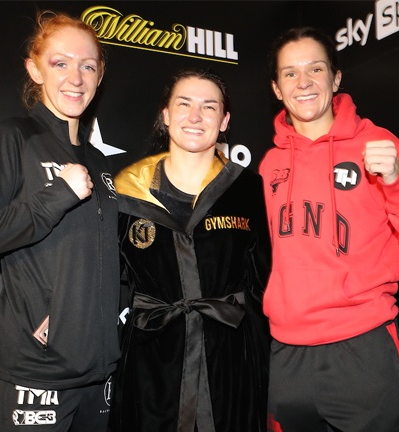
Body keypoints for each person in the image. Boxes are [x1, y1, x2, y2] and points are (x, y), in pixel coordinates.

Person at [259, 27, 399, 432]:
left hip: (362, 351)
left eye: (315, 68)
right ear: (277, 88)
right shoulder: (269, 165)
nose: (304, 82)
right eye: (290, 74)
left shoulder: (381, 146)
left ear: (336, 77)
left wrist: (397, 181)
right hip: (287, 355)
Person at [0, 12, 119, 432]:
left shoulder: (104, 165)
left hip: (102, 375)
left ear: (99, 75)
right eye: (60, 63)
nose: (76, 78)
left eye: (88, 65)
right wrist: (54, 198)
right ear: (34, 68)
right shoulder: (14, 137)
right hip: (37, 375)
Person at [109, 69, 271, 432]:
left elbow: (264, 281)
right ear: (165, 115)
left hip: (229, 360)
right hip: (152, 363)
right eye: (184, 104)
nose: (195, 116)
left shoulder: (247, 189)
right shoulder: (125, 191)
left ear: (224, 120)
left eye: (209, 106)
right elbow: (103, 282)